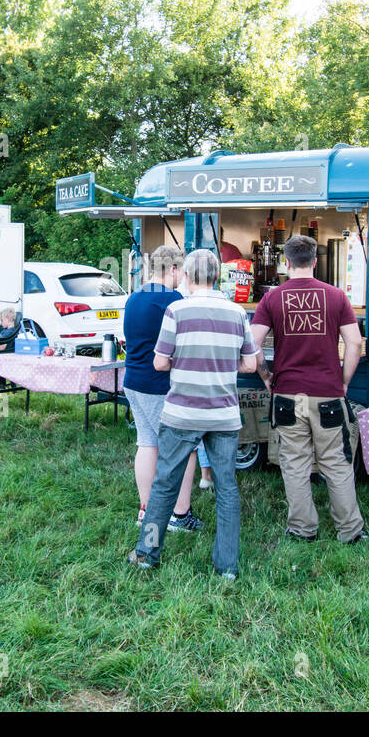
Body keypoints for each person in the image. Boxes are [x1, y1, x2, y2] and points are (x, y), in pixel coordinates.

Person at [129, 249, 258, 579]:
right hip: (223, 415)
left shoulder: (176, 310)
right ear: (218, 277)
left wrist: (183, 362)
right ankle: (227, 567)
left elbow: (159, 362)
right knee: (227, 488)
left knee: (164, 484)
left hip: (182, 412)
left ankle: (147, 553)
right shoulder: (237, 312)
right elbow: (250, 363)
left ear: (186, 276)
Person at [252, 235, 369, 544]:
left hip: (288, 395)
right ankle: (350, 531)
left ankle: (302, 530)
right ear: (315, 261)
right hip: (328, 393)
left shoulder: (272, 298)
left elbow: (250, 343)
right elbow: (355, 342)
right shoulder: (336, 296)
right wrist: (343, 381)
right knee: (336, 463)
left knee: (295, 464)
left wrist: (267, 376)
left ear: (286, 263)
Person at [121, 246, 203, 534]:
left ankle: (147, 510)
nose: (181, 278)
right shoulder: (172, 299)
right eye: (180, 271)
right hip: (160, 384)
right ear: (172, 270)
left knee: (146, 443)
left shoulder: (133, 298)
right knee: (186, 447)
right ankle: (179, 515)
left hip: (133, 381)